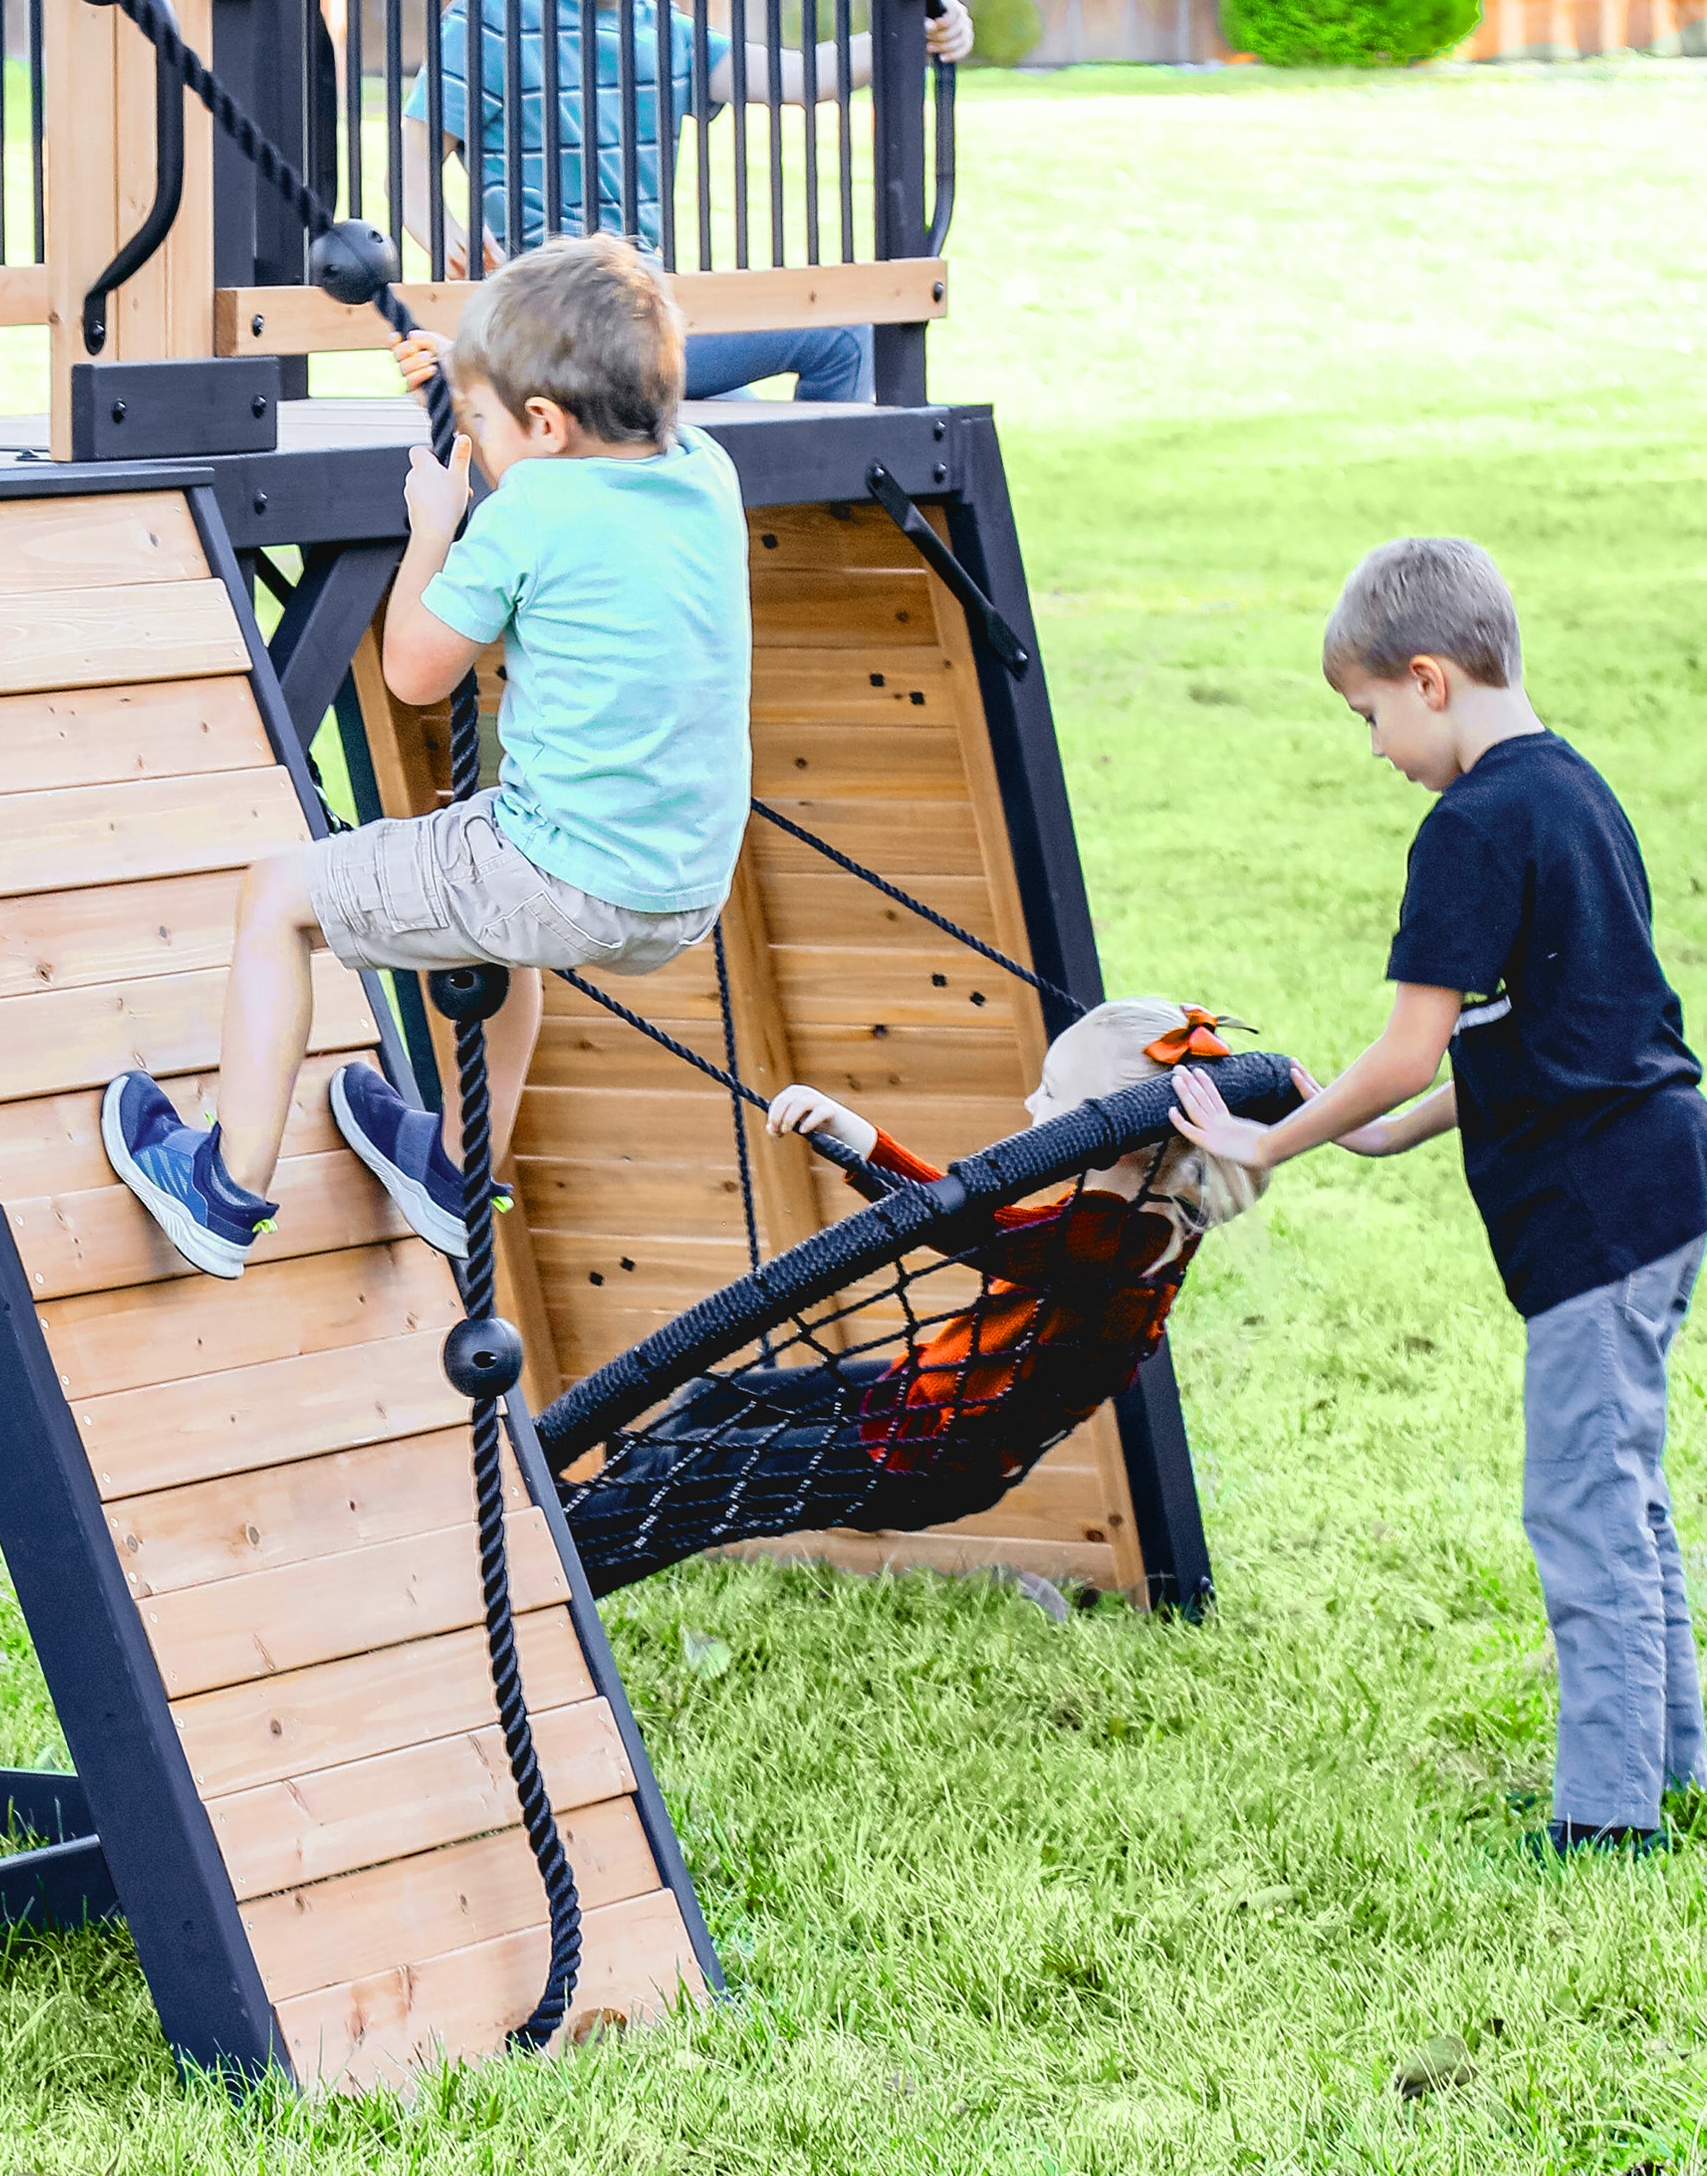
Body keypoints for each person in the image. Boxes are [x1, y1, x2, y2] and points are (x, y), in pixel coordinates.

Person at [1170, 537, 1707, 1856]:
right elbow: (1551, 1028)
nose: (1373, 749)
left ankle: (1609, 1820)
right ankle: (1673, 1767)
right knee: (1624, 1493)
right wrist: (1387, 1137)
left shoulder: (1467, 828)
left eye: (1367, 717)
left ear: (1427, 679)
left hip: (1596, 1216)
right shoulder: (1575, 790)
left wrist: (1264, 1145)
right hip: (1661, 1177)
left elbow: (1414, 1039)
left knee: (1582, 1507)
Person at [101, 235, 750, 1279]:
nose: (474, 435)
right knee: (498, 923)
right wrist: (473, 380)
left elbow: (413, 670)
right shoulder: (701, 469)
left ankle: (222, 1187)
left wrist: (434, 528)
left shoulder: (533, 506)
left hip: (560, 870)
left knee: (276, 895)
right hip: (677, 884)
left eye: (483, 418)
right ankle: (455, 1166)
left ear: (544, 422)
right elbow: (560, 434)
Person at [557, 999, 1267, 1594]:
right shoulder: (1155, 1208)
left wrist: (863, 1143)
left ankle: (562, 1558)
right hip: (920, 1403)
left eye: (1052, 1095)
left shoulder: (1118, 1240)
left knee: (705, 1473)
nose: (1031, 1102)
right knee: (721, 1405)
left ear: (1117, 1138)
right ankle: (590, 1516)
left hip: (924, 1457)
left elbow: (981, 1230)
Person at [394, 0, 975, 406]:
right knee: (843, 335)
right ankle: (840, 497)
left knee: (736, 422)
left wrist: (906, 34)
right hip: (548, 322)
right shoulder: (493, 18)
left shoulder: (664, 33)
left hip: (639, 321)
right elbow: (414, 152)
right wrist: (447, 234)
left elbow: (793, 77)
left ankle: (819, 499)